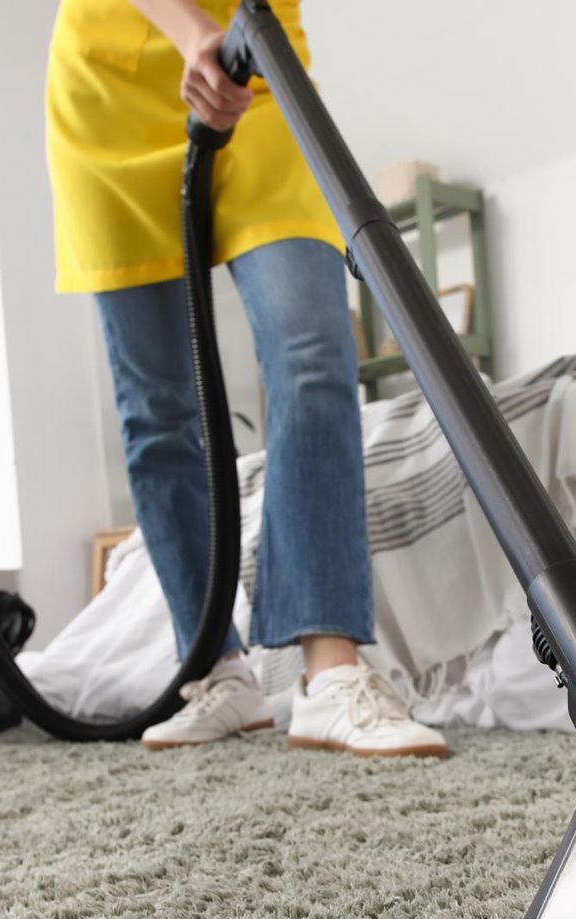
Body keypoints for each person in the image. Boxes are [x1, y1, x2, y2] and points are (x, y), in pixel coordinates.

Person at [45, 0, 447, 758]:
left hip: (258, 70)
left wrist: (225, 40)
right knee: (157, 407)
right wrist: (191, 31)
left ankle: (328, 673)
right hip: (110, 91)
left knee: (312, 352)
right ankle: (218, 671)